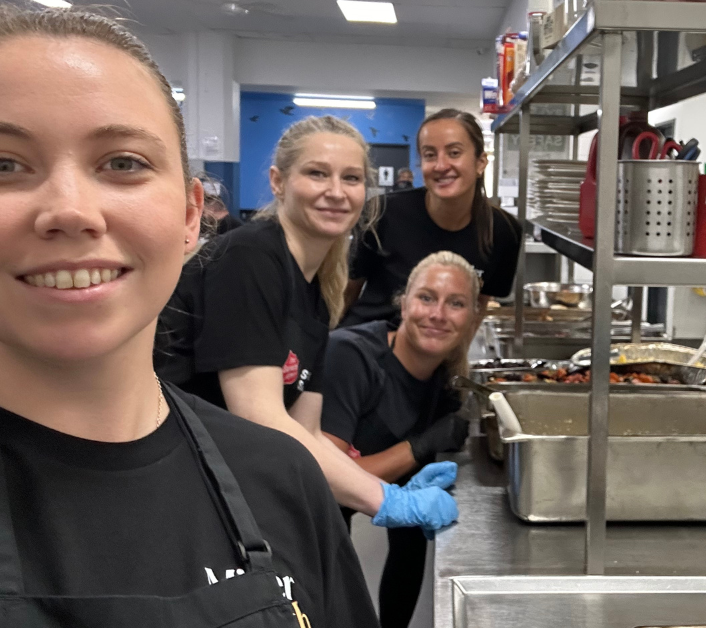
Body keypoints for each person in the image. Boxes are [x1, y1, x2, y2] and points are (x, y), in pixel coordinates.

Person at [0, 5, 377, 627]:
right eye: (1, 164)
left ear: (192, 216)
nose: (70, 210)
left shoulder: (283, 480)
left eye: (123, 163)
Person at [155, 115, 458, 534]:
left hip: (222, 480)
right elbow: (259, 417)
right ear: (278, 181)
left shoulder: (317, 291)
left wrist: (378, 489)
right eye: (317, 173)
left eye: (351, 178)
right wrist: (386, 500)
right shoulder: (251, 258)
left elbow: (306, 431)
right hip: (173, 486)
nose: (336, 192)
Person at [322, 251, 475, 628]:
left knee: (410, 540)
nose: (438, 314)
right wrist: (418, 446)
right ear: (403, 304)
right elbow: (327, 477)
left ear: (472, 318)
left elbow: (406, 527)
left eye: (455, 304)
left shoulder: (445, 385)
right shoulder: (352, 357)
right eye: (426, 298)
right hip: (307, 514)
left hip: (351, 508)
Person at [342, 108, 521, 328]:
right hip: (365, 347)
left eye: (454, 153)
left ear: (480, 163)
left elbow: (477, 309)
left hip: (433, 353)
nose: (441, 165)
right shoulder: (381, 212)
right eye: (429, 155)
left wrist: (455, 361)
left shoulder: (504, 231)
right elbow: (346, 293)